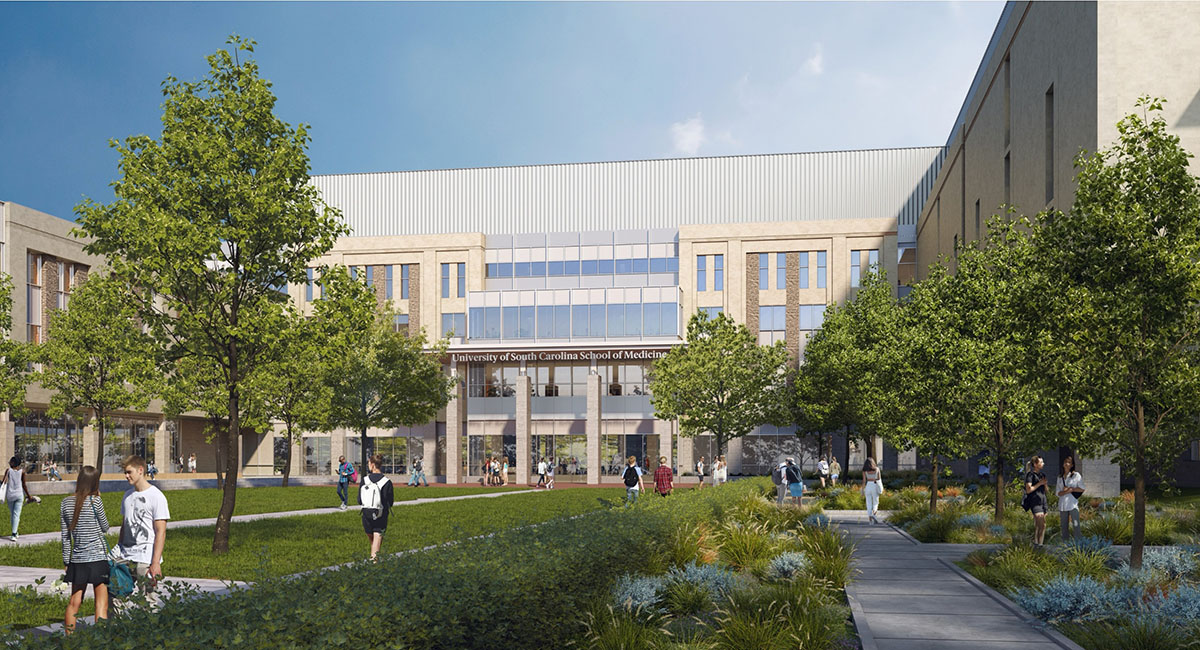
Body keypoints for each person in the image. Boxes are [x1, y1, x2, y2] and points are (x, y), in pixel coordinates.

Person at [113, 455, 170, 609]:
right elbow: (124, 525)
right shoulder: (128, 496)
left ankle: (147, 625)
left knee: (148, 602)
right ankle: (116, 624)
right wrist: (118, 550)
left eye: (129, 472)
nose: (126, 476)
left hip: (146, 558)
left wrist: (155, 563)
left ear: (140, 470)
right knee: (116, 597)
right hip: (126, 556)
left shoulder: (156, 496)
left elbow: (161, 531)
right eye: (125, 473)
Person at [60, 465, 109, 632]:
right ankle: (100, 638)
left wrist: (66, 561)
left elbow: (65, 536)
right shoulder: (96, 501)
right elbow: (105, 527)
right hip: (98, 558)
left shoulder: (65, 503)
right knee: (101, 603)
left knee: (74, 602)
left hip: (78, 559)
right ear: (95, 483)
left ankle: (70, 639)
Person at [359, 454, 394, 561]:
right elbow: (390, 501)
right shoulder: (387, 482)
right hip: (380, 515)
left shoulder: (364, 480)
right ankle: (374, 563)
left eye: (369, 463)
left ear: (372, 465)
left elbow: (359, 500)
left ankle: (374, 558)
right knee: (377, 539)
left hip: (366, 514)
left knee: (373, 542)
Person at [1056, 455, 1085, 542]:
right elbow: (1058, 493)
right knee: (1064, 527)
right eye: (1065, 462)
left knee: (1076, 525)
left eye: (1069, 462)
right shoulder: (1060, 477)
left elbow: (1082, 488)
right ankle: (1065, 544)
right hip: (1062, 505)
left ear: (1072, 465)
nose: (1066, 464)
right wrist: (1065, 492)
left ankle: (1079, 544)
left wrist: (1070, 489)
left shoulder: (1076, 475)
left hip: (1072, 504)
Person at [2, 456, 31, 541]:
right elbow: (24, 485)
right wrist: (29, 496)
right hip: (19, 495)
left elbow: (3, 482)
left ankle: (15, 532)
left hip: (10, 495)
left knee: (13, 515)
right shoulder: (22, 472)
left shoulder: (8, 471)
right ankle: (14, 533)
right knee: (16, 514)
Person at [1023, 455, 1049, 547]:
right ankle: (1040, 545)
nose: (1043, 464)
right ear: (1035, 464)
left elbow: (1045, 490)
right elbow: (1028, 490)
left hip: (1042, 501)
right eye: (1041, 462)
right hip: (1035, 502)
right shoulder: (1030, 475)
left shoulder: (1042, 475)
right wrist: (1039, 483)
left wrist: (1044, 484)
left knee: (1039, 525)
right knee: (1042, 524)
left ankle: (1037, 543)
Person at [862, 458, 883, 524]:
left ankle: (870, 520)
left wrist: (862, 490)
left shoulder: (864, 470)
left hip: (868, 485)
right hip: (875, 485)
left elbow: (864, 481)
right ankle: (874, 514)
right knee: (875, 502)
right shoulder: (877, 469)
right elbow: (879, 479)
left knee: (868, 503)